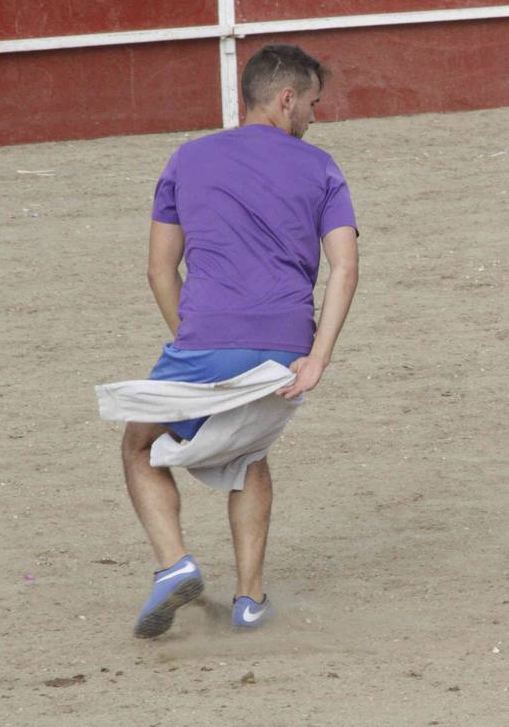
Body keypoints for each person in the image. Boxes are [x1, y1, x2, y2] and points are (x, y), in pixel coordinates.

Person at [119, 44, 359, 639]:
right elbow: (345, 268)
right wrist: (318, 358)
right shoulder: (322, 166)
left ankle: (174, 564)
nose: (313, 116)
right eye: (311, 103)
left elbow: (157, 270)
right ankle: (250, 600)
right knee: (247, 452)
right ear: (285, 99)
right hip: (284, 349)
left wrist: (199, 345)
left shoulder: (186, 159)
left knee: (138, 447)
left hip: (204, 341)